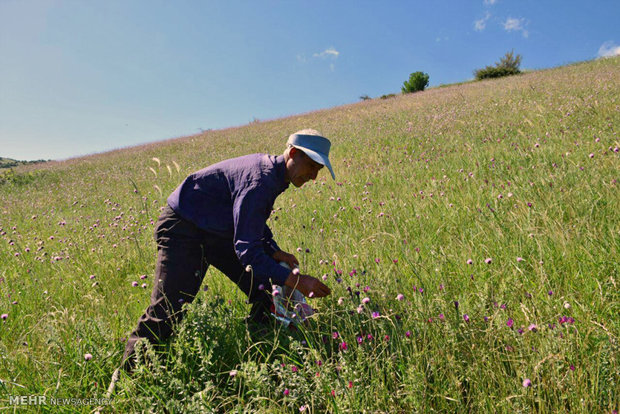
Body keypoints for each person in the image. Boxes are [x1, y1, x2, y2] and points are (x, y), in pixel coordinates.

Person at [120, 129, 334, 372]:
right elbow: (248, 252)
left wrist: (274, 251)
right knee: (168, 309)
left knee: (263, 288)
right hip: (183, 227)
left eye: (319, 170)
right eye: (312, 166)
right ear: (293, 153)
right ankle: (126, 380)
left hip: (215, 230)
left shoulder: (276, 176)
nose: (314, 177)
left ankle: (261, 354)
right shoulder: (261, 180)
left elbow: (248, 219)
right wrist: (295, 280)